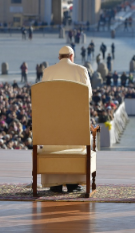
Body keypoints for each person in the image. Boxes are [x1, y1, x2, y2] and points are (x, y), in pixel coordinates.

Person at [41, 45, 92, 193]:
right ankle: (73, 183)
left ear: (59, 58)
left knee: (53, 146)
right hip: (75, 124)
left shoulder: (48, 71)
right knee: (76, 145)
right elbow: (87, 95)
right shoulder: (81, 70)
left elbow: (43, 98)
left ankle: (54, 183)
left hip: (52, 126)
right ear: (71, 57)